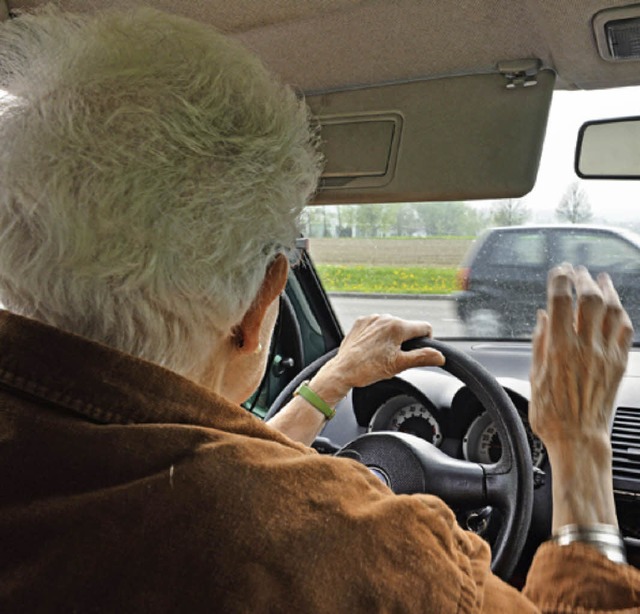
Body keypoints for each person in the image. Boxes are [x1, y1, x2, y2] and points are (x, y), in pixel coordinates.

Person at [0, 7, 638, 613]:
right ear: (258, 305)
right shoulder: (360, 550)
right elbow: (223, 493)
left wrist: (330, 380)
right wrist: (581, 449)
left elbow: (177, 463)